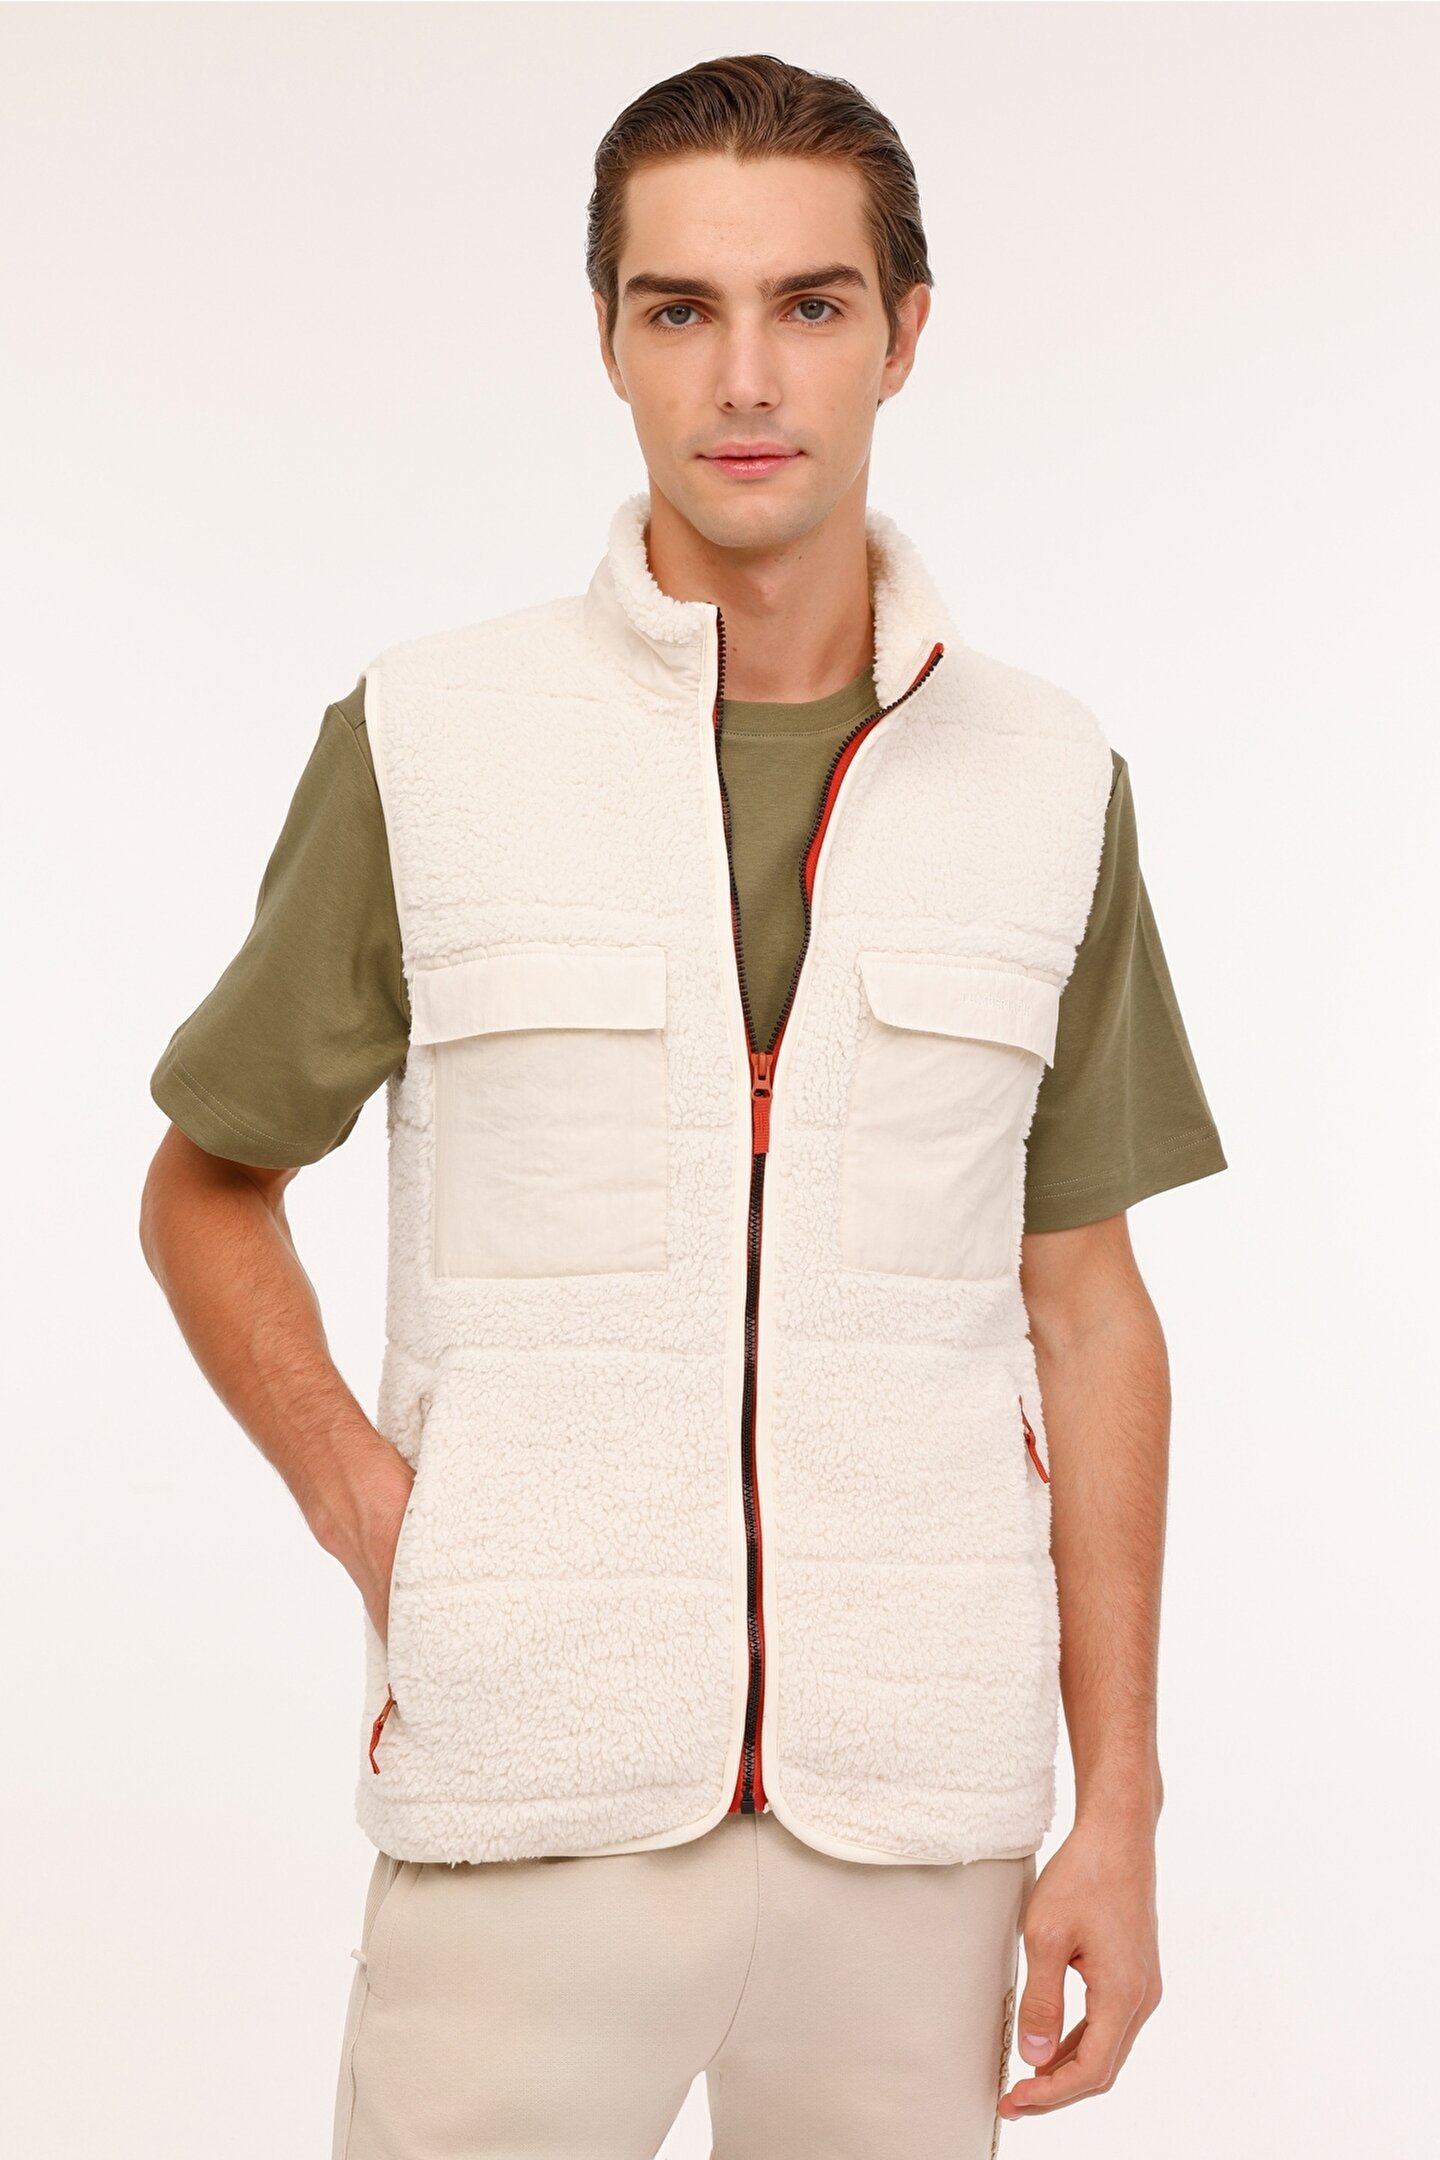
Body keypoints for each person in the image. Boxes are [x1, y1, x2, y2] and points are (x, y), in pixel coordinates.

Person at [139, 51, 1226, 2160]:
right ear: (610, 339)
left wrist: (1122, 1809)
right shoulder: (430, 740)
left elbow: (1091, 1309)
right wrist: (379, 1514)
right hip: (531, 1801)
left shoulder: (1050, 783)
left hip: (915, 1832)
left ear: (905, 333)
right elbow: (206, 1185)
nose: (746, 377)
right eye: (681, 308)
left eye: (810, 304)